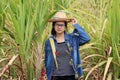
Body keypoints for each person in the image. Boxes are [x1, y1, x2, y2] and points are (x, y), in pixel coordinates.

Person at [44, 12, 90, 80]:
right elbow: (47, 59)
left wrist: (76, 25)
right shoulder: (49, 41)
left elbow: (86, 38)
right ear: (53, 26)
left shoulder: (72, 39)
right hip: (55, 76)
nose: (59, 27)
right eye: (57, 25)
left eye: (61, 25)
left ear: (65, 26)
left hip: (71, 75)